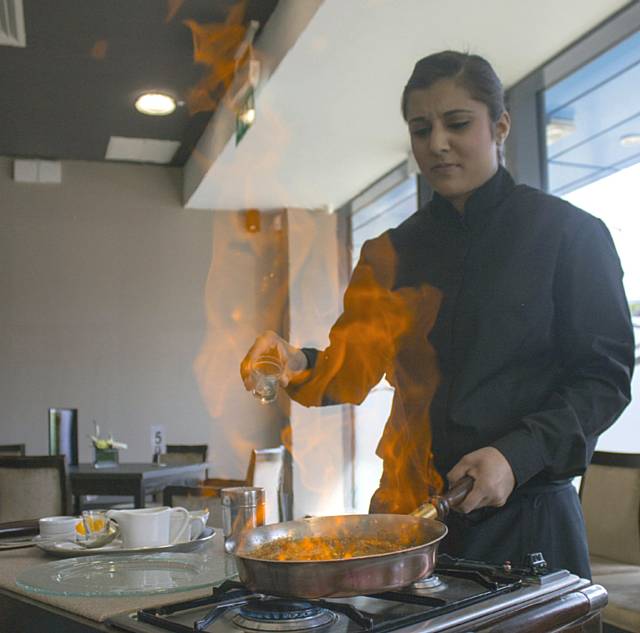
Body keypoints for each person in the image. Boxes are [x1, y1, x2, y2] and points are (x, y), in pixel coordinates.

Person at [240, 51, 634, 579]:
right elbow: (351, 374)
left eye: (457, 124)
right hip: (413, 519)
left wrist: (516, 455)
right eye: (421, 128)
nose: (437, 144)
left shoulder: (570, 235)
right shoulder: (389, 254)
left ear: (500, 125)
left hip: (530, 518)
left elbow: (603, 380)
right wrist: (297, 364)